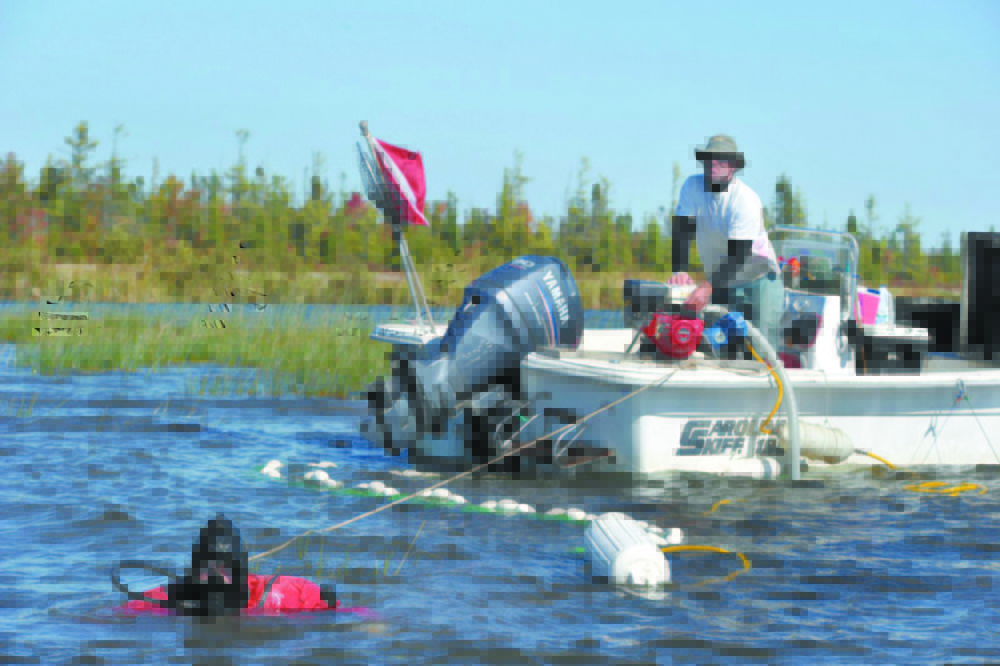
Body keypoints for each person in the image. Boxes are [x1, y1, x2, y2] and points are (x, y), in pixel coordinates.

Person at [669, 134, 785, 347]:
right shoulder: (691, 187)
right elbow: (681, 231)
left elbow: (739, 255)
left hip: (759, 280)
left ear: (732, 167)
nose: (714, 165)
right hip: (723, 280)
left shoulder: (745, 200)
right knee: (714, 343)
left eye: (722, 161)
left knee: (762, 346)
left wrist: (707, 287)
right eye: (709, 159)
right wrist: (679, 270)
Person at [116, 514, 338, 615]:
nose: (216, 578)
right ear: (192, 571)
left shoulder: (290, 594)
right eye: (206, 569)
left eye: (226, 569)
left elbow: (352, 617)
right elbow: (107, 618)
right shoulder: (163, 600)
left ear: (242, 570)